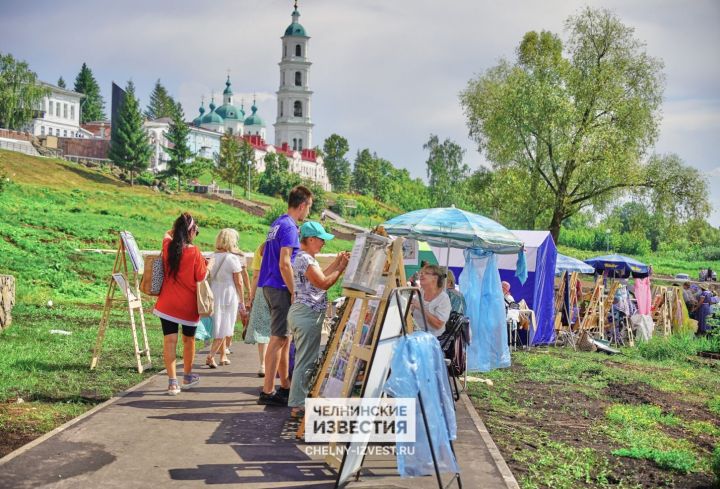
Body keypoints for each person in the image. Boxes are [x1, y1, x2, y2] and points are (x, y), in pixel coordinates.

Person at [257, 185, 314, 406]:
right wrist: (295, 291)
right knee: (278, 338)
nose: (308, 211)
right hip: (280, 286)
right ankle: (268, 390)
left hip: (270, 284)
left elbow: (263, 251)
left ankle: (285, 385)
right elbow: (285, 263)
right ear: (302, 206)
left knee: (284, 337)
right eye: (309, 207)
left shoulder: (277, 223)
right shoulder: (290, 227)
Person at [287, 222, 349, 418]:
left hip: (302, 312)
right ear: (311, 239)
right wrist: (341, 269)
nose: (323, 243)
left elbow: (319, 276)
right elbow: (323, 283)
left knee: (303, 359)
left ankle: (299, 401)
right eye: (321, 239)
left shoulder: (305, 258)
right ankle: (298, 404)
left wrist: (338, 263)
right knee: (305, 361)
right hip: (307, 314)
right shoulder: (305, 259)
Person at [153, 213, 207, 395]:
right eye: (195, 231)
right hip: (188, 306)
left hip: (167, 304)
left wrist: (179, 230)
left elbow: (167, 233)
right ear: (190, 231)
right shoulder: (194, 252)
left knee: (170, 340)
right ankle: (187, 376)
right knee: (188, 340)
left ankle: (172, 383)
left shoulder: (168, 246)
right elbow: (201, 276)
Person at [205, 229, 246, 368]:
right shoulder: (232, 258)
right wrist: (242, 299)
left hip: (214, 292)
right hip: (228, 293)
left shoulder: (212, 256)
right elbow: (239, 281)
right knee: (226, 325)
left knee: (219, 324)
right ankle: (211, 356)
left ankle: (223, 356)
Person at [244, 243, 271, 377]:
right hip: (282, 289)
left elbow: (256, 275)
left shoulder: (261, 247)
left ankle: (263, 365)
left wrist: (251, 297)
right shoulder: (287, 245)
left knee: (262, 328)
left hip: (262, 290)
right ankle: (276, 365)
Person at [411, 264, 452, 337]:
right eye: (421, 273)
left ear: (435, 278)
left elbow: (438, 325)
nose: (422, 275)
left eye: (426, 273)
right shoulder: (420, 292)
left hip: (433, 339)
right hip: (416, 334)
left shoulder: (443, 298)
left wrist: (421, 307)